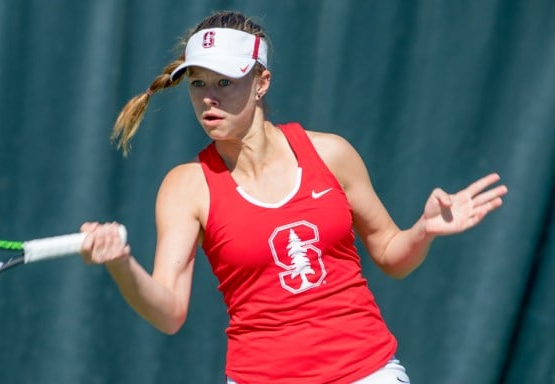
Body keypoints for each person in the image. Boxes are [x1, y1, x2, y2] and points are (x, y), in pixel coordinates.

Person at [79, 10, 508, 384]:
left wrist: (423, 231)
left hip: (368, 371)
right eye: (197, 83)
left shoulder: (331, 154)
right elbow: (169, 311)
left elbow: (392, 254)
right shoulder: (186, 186)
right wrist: (121, 264)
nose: (208, 98)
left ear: (262, 82)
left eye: (225, 82)